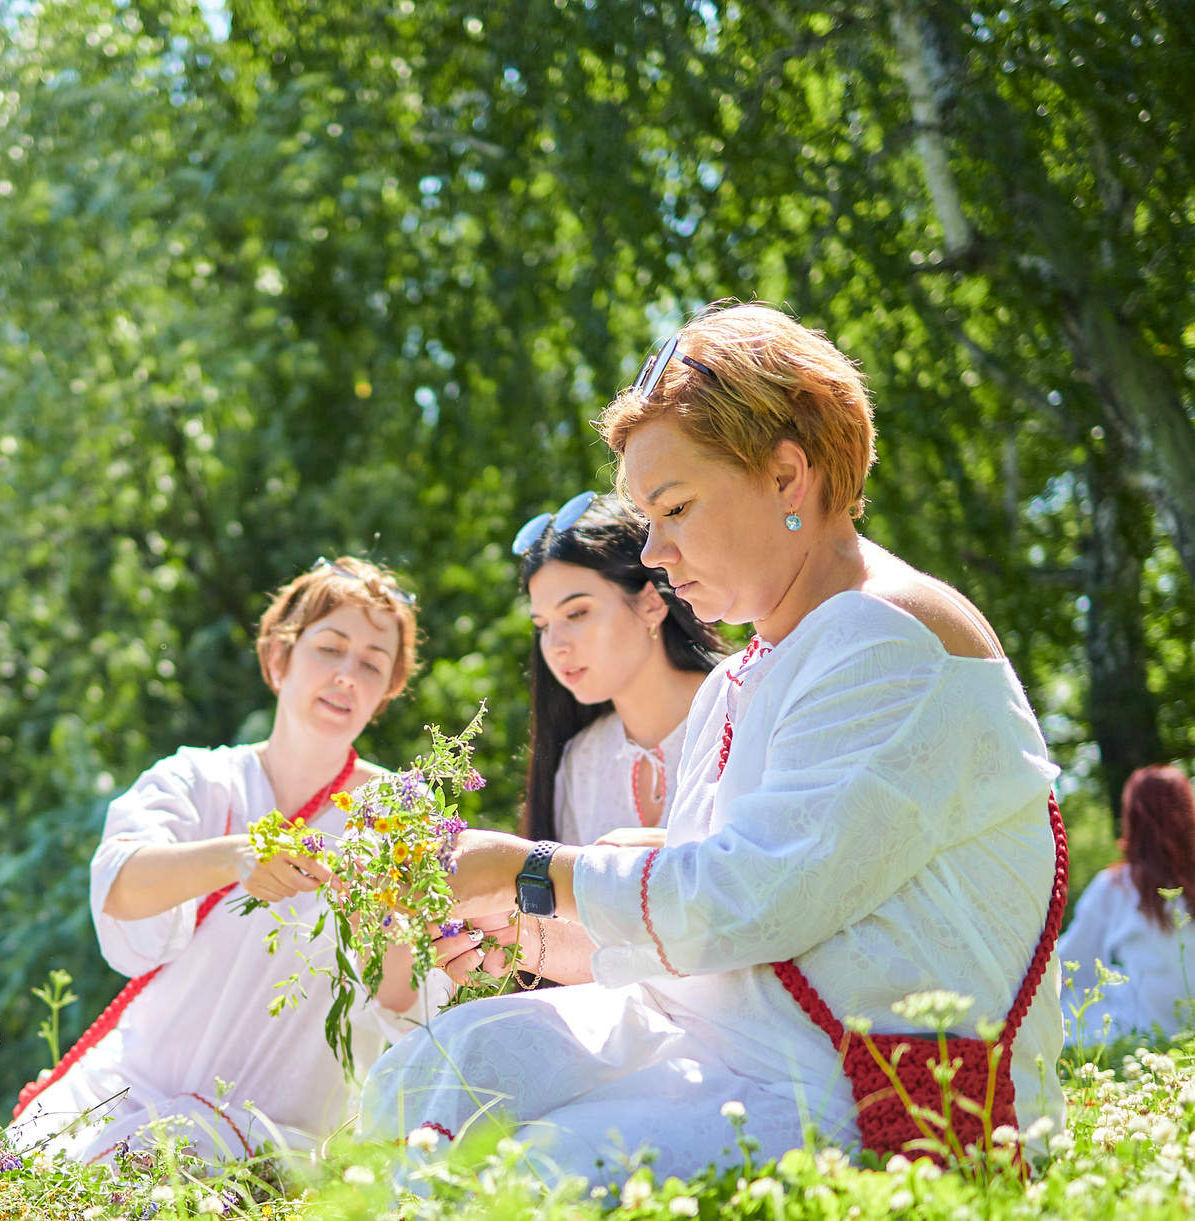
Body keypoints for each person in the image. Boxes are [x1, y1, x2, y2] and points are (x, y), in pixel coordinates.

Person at [364, 301, 1065, 1175]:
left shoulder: (885, 636)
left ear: (786, 477)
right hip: (730, 1043)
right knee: (439, 1070)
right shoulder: (743, 675)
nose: (652, 549)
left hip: (864, 1087)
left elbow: (751, 898)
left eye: (675, 507)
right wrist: (524, 928)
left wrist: (529, 869)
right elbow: (696, 933)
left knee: (520, 1175)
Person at [8, 558, 449, 1164]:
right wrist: (234, 858)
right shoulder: (198, 779)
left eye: (372, 662)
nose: (348, 674)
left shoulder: (401, 814)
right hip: (131, 1090)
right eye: (330, 648)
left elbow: (405, 1003)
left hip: (278, 1130)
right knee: (4, 1196)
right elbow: (119, 884)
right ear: (277, 659)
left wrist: (396, 921)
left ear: (387, 692)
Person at [515, 493, 724, 847]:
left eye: (576, 613)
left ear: (650, 603)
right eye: (543, 626)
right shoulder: (581, 761)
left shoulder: (741, 710)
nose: (554, 646)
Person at [1057, 765, 1195, 1045]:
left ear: (1132, 819)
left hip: (1150, 1028)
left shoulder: (1117, 885)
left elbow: (1068, 964)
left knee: (1063, 1009)